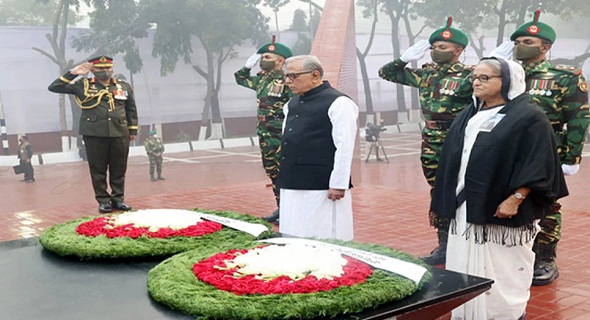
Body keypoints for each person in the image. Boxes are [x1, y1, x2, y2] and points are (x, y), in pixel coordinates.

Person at [430, 57, 568, 320]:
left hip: (502, 210)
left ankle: (505, 314)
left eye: (485, 78)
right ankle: (468, 313)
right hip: (466, 208)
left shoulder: (529, 116)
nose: (476, 82)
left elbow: (540, 161)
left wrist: (516, 198)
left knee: (503, 268)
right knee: (464, 263)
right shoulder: (469, 114)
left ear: (507, 81)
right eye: (475, 77)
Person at [491, 10, 590, 285]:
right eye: (519, 41)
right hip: (508, 148)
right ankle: (514, 250)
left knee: (546, 203)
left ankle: (545, 256)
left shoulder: (564, 76)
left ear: (546, 47)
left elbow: (579, 118)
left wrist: (572, 157)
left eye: (529, 42)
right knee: (508, 197)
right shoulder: (505, 75)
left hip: (547, 148)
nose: (521, 46)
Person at [379, 17, 474, 265]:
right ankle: (444, 244)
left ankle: (467, 240)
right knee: (438, 190)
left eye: (443, 47)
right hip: (431, 139)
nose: (436, 50)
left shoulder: (469, 76)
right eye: (434, 46)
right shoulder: (425, 75)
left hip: (459, 139)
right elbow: (386, 73)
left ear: (458, 50)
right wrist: (403, 59)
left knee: (463, 188)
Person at [277, 55, 359, 241]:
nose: (288, 82)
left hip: (321, 184)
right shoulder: (291, 104)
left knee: (322, 232)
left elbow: (344, 146)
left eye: (293, 76)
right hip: (292, 179)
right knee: (293, 229)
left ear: (315, 75)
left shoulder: (339, 102)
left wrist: (338, 183)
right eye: (286, 76)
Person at [48, 55, 138, 214]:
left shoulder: (123, 86)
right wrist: (74, 73)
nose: (105, 71)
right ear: (93, 70)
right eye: (100, 69)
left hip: (119, 133)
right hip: (94, 134)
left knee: (119, 168)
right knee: (98, 169)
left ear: (112, 69)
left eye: (107, 68)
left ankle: (118, 199)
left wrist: (132, 130)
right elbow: (55, 86)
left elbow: (131, 109)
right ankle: (103, 200)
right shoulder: (83, 85)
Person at [234, 37, 294, 224]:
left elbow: (296, 106)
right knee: (273, 173)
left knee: (285, 173)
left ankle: (290, 211)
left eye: (267, 56)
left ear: (280, 61)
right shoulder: (261, 80)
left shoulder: (287, 81)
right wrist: (247, 66)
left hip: (280, 134)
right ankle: (281, 208)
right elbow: (240, 79)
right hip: (265, 134)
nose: (262, 59)